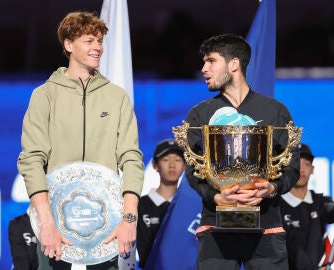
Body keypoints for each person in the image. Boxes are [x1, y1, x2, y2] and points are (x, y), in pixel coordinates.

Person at [17, 11, 144, 270]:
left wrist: (129, 219)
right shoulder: (44, 95)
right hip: (53, 221)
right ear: (68, 45)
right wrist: (46, 223)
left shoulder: (116, 97)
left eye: (100, 41)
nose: (97, 47)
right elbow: (31, 160)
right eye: (89, 41)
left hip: (106, 224)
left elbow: (131, 157)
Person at [185, 34, 300, 270]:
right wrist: (216, 197)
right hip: (216, 228)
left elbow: (291, 166)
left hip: (267, 227)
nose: (204, 69)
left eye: (211, 61)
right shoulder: (199, 114)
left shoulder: (275, 111)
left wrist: (272, 188)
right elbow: (193, 171)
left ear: (234, 64)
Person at [279, 143, 334, 270]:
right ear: (285, 168)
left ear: (313, 169)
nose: (301, 169)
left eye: (306, 163)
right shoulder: (274, 206)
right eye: (296, 162)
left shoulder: (321, 203)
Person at [136, 139, 185, 268]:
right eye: (166, 160)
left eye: (178, 160)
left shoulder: (187, 207)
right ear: (155, 165)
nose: (172, 165)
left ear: (185, 166)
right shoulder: (140, 205)